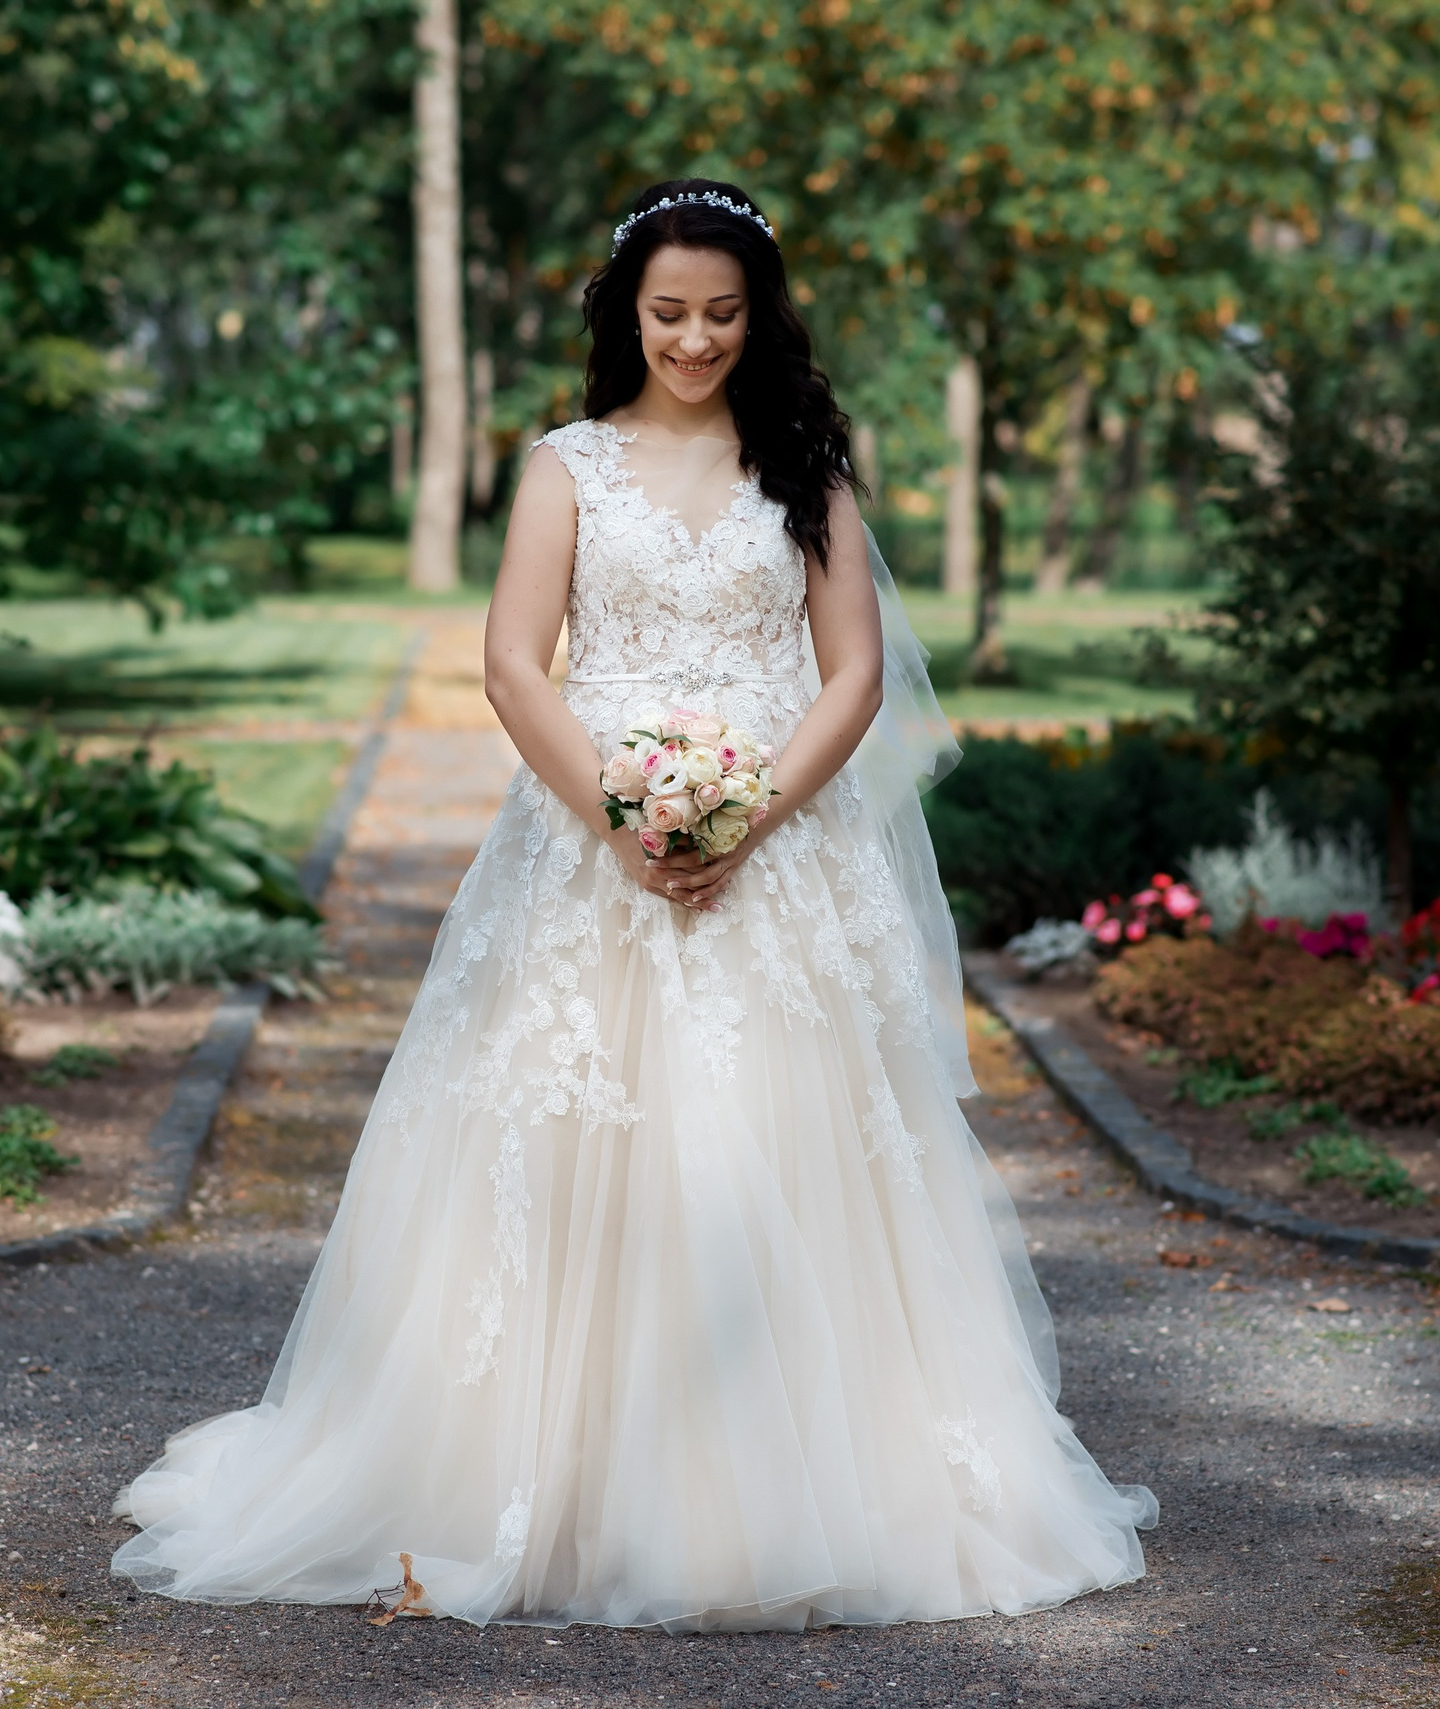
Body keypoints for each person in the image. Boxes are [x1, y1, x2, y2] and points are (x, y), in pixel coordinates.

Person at [112, 178, 1156, 1631]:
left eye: (723, 314)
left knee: (785, 1139)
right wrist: (622, 818)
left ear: (759, 316)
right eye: (670, 313)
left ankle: (804, 1490)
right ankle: (555, 1479)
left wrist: (746, 816)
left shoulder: (807, 468)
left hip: (778, 852)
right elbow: (513, 663)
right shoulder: (567, 468)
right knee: (567, 1144)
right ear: (629, 313)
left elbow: (853, 672)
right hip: (585, 851)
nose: (696, 340)